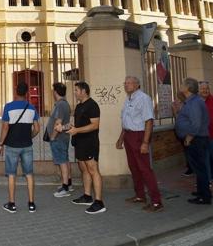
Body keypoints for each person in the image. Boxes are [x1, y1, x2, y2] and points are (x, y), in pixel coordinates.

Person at [116, 76, 163, 212]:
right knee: (134, 167)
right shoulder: (128, 99)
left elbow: (149, 121)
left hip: (139, 136)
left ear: (137, 85)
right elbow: (126, 122)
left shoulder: (143, 98)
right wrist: (120, 139)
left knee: (145, 169)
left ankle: (156, 202)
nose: (126, 85)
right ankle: (140, 195)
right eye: (125, 83)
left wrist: (145, 142)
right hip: (128, 135)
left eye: (129, 83)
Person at [63, 81, 107, 214]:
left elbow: (94, 125)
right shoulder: (79, 106)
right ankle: (87, 196)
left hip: (90, 143)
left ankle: (99, 202)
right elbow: (76, 125)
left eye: (76, 90)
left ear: (84, 91)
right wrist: (64, 127)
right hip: (79, 143)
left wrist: (77, 130)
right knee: (84, 170)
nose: (75, 92)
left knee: (93, 170)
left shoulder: (92, 105)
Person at [0, 82, 40, 214]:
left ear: (16, 92)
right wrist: (30, 136)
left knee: (11, 174)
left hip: (11, 146)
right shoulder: (32, 108)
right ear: (27, 92)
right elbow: (37, 129)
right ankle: (31, 204)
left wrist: (0, 144)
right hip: (27, 145)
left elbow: (5, 128)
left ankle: (12, 204)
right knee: (29, 174)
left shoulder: (9, 107)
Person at [175, 77, 211, 204]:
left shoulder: (195, 102)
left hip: (196, 139)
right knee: (198, 167)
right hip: (196, 139)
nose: (180, 86)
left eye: (182, 84)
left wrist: (189, 137)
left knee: (200, 168)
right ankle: (201, 191)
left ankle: (204, 196)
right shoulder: (190, 101)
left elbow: (196, 123)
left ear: (188, 88)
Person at [48, 82, 72, 198]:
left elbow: (58, 122)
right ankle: (68, 183)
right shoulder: (63, 104)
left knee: (62, 161)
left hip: (59, 138)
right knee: (65, 160)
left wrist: (52, 137)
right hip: (63, 137)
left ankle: (65, 187)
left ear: (55, 92)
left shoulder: (61, 105)